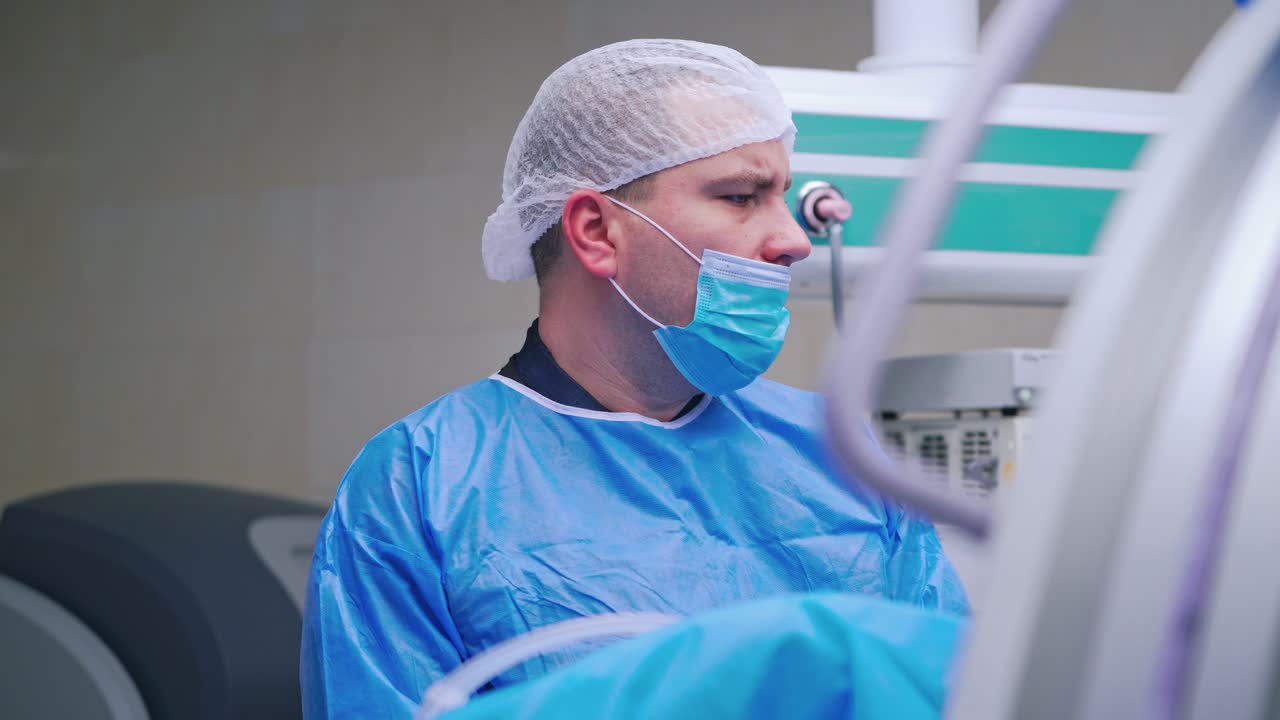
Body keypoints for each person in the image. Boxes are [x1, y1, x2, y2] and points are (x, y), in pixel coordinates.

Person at [301, 38, 968, 719]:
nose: (793, 239)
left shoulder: (839, 456)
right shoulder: (422, 487)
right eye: (741, 196)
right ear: (596, 231)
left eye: (782, 196)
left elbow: (961, 693)